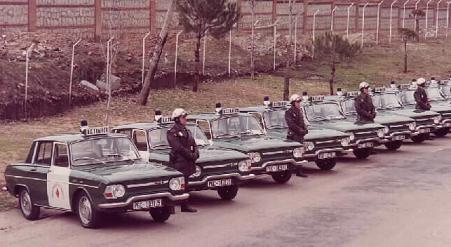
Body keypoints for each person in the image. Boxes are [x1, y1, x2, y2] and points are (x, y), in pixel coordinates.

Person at [167, 108, 199, 213]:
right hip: (179, 162)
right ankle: (172, 207)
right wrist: (190, 155)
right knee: (177, 184)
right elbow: (178, 147)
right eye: (183, 117)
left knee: (186, 184)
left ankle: (185, 206)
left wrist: (196, 153)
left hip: (188, 162)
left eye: (185, 117)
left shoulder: (186, 130)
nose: (185, 119)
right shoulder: (172, 132)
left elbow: (193, 143)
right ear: (177, 119)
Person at [285, 94, 308, 178]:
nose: (299, 103)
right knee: (294, 153)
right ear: (293, 102)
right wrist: (300, 130)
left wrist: (305, 129)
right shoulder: (289, 112)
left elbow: (302, 122)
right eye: (297, 102)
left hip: (300, 135)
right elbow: (291, 124)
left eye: (299, 102)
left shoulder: (300, 111)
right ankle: (291, 170)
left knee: (301, 152)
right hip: (293, 135)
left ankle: (299, 170)